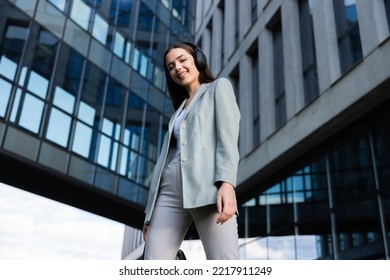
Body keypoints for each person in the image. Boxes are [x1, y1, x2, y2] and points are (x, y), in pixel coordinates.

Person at [142, 42, 241, 260]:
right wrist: (150, 216)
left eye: (182, 60)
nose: (177, 68)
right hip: (168, 192)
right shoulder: (177, 111)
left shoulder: (218, 88)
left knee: (224, 263)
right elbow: (164, 159)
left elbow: (228, 139)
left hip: (207, 188)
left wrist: (227, 183)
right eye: (170, 66)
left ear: (198, 60)